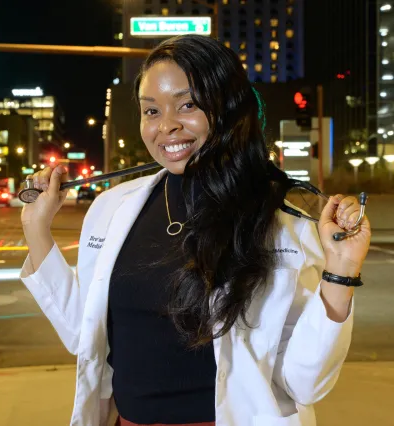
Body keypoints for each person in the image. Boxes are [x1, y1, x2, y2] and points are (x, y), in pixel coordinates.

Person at [20, 35, 371, 426]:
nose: (167, 126)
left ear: (228, 109)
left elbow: (304, 384)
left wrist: (340, 274)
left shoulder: (283, 224)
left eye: (187, 105)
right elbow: (83, 336)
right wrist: (37, 230)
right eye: (151, 111)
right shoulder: (110, 209)